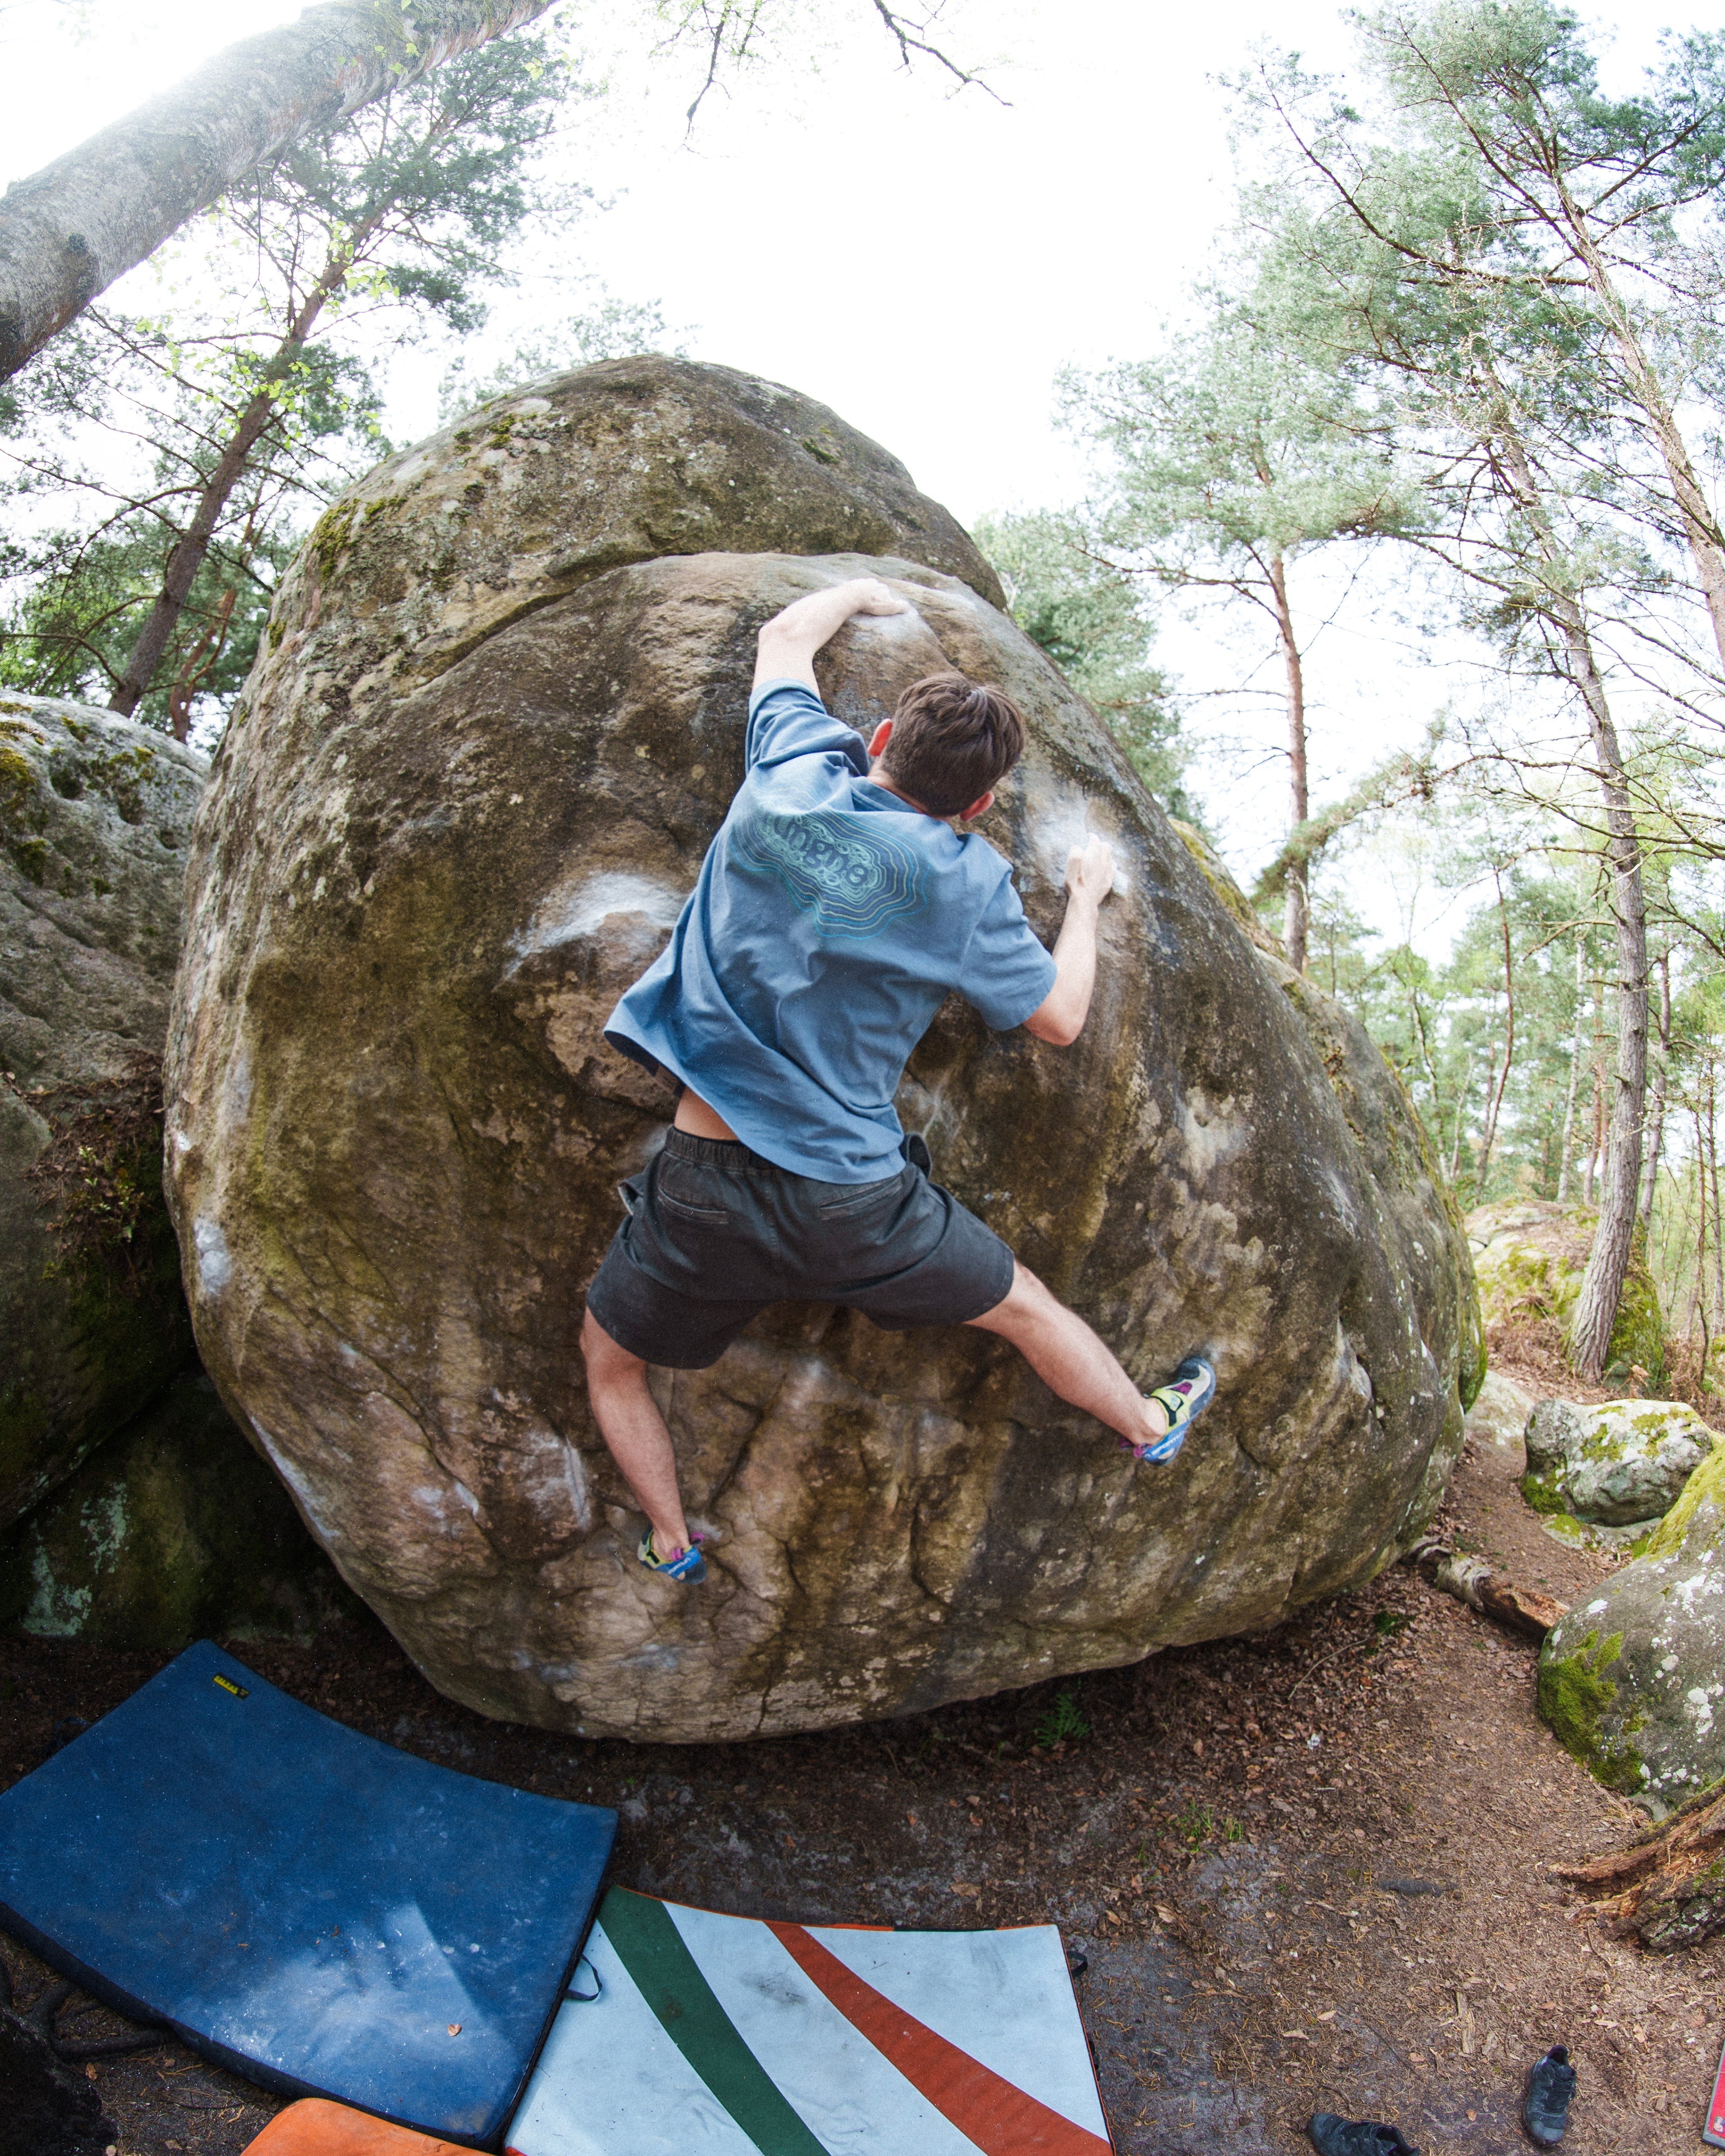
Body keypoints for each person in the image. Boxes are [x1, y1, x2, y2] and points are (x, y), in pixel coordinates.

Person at [581, 575, 1215, 1583]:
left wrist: (866, 589)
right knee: (1028, 1309)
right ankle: (1145, 1423)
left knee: (611, 1361)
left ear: (877, 741)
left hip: (701, 1187)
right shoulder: (966, 881)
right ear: (978, 803)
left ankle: (671, 1542)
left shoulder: (786, 773)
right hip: (853, 1202)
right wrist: (1084, 899)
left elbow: (785, 633)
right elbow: (1057, 1019)